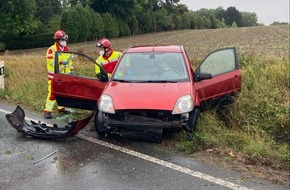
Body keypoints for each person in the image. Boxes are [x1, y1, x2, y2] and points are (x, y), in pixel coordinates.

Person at [43, 30, 74, 119]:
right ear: (57, 40)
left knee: (63, 93)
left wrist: (71, 69)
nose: (64, 42)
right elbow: (51, 62)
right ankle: (47, 111)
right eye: (62, 40)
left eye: (65, 40)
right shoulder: (51, 49)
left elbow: (69, 62)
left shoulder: (66, 49)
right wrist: (60, 62)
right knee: (52, 94)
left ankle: (62, 108)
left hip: (64, 76)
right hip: (54, 77)